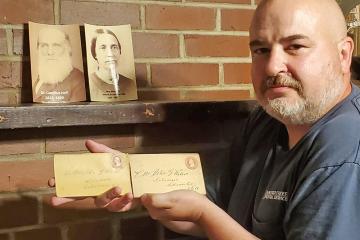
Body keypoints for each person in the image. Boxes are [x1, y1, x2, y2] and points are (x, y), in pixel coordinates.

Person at [50, 0, 360, 239]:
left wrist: (203, 214)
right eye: (261, 50)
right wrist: (128, 178)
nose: (273, 66)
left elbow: (206, 214)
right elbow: (209, 204)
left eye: (295, 46)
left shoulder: (347, 142)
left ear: (344, 55)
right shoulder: (266, 122)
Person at [33, 27, 86, 103]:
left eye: (56, 46)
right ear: (38, 49)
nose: (50, 52)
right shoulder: (41, 78)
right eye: (44, 46)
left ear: (68, 49)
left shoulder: (78, 81)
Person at [89, 29, 136, 101]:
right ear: (95, 53)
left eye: (114, 47)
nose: (110, 53)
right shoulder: (89, 84)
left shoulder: (130, 84)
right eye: (103, 48)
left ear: (120, 51)